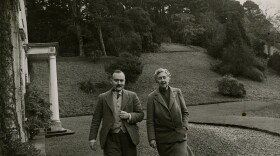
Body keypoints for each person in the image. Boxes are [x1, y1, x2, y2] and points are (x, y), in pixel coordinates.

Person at [89, 70, 144, 156]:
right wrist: (92, 138)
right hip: (110, 138)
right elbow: (96, 119)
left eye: (121, 80)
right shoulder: (103, 97)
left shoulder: (132, 95)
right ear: (111, 81)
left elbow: (141, 114)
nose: (119, 83)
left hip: (129, 137)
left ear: (124, 81)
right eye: (116, 80)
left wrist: (129, 115)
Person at [146, 68, 194, 156]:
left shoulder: (177, 92)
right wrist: (152, 138)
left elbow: (185, 112)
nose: (162, 80)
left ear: (168, 78)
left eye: (164, 77)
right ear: (156, 80)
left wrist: (184, 126)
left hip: (179, 136)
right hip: (163, 140)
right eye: (160, 78)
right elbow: (150, 120)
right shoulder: (152, 97)